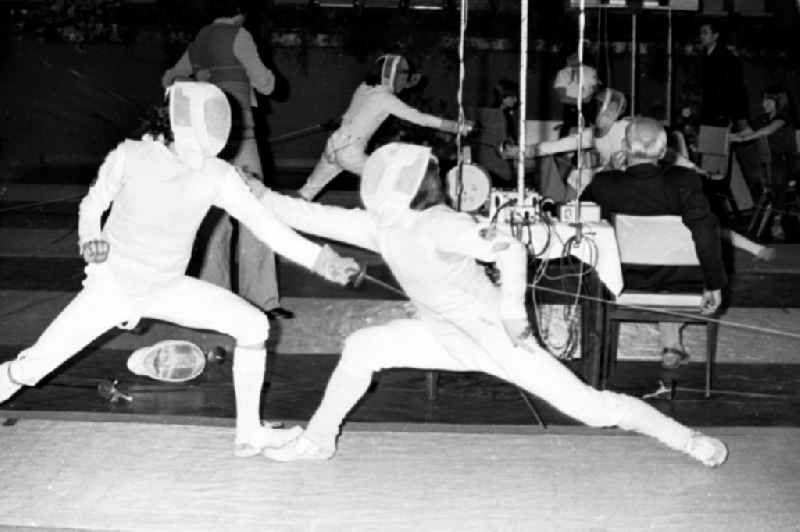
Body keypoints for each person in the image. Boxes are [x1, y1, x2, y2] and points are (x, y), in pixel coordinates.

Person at [241, 142, 728, 467]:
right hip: (444, 335)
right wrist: (260, 194)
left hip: (497, 338)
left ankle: (686, 439)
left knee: (593, 410)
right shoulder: (382, 225)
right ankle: (319, 439)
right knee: (364, 346)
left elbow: (511, 248)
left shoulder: (442, 223)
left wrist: (515, 313)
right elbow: (310, 215)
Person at [0, 81, 359, 457]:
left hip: (167, 287)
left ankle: (250, 433)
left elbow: (268, 227)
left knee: (253, 325)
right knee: (30, 370)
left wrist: (323, 260)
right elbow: (91, 204)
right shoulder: (130, 154)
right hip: (113, 287)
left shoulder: (218, 174)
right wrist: (90, 237)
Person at [161, 0, 291, 319]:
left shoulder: (201, 38)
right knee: (254, 212)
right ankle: (262, 299)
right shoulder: (239, 34)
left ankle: (214, 297)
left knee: (214, 216)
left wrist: (205, 85)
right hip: (240, 133)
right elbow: (266, 83)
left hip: (207, 137)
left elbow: (170, 79)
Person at [581, 117, 727, 369]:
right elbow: (705, 231)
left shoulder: (605, 183)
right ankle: (671, 343)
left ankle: (597, 361)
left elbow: (580, 215)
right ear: (662, 151)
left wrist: (607, 172)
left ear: (624, 147)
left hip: (622, 281)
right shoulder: (686, 180)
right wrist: (713, 283)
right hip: (681, 282)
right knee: (668, 277)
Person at [297, 54, 473, 201]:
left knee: (308, 191)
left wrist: (410, 82)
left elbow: (392, 88)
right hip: (349, 151)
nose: (405, 77)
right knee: (391, 180)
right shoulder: (385, 99)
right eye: (403, 73)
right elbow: (420, 119)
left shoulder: (365, 88)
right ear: (392, 74)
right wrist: (457, 127)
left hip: (334, 145)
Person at [730, 85, 798, 241]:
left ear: (779, 102)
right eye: (764, 100)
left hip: (788, 162)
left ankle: (777, 221)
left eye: (769, 101)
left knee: (779, 174)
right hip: (771, 165)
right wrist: (728, 137)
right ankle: (774, 215)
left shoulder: (785, 116)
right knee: (773, 172)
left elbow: (768, 131)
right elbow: (745, 132)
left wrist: (744, 138)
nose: (764, 104)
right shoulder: (763, 119)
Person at [698, 20, 749, 132]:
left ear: (715, 36)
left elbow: (736, 86)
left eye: (705, 33)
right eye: (701, 33)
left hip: (722, 112)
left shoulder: (727, 57)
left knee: (718, 145)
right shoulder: (704, 57)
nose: (701, 36)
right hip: (708, 109)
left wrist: (739, 115)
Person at [553, 47, 600, 138]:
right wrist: (582, 100)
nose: (574, 59)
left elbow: (595, 88)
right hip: (570, 107)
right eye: (571, 57)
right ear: (567, 59)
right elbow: (563, 97)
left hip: (588, 108)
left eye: (576, 56)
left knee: (586, 132)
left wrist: (591, 95)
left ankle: (583, 150)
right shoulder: (562, 73)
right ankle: (561, 150)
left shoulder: (591, 71)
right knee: (567, 131)